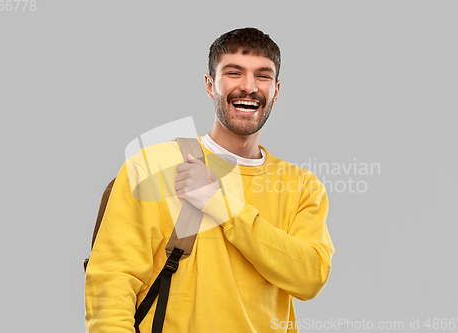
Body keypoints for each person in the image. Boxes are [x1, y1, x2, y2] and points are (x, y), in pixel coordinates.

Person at [85, 27, 334, 333]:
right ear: (209, 84)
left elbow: (310, 277)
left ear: (276, 90)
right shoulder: (152, 166)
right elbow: (111, 282)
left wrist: (224, 206)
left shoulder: (302, 186)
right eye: (234, 72)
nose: (249, 86)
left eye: (263, 75)